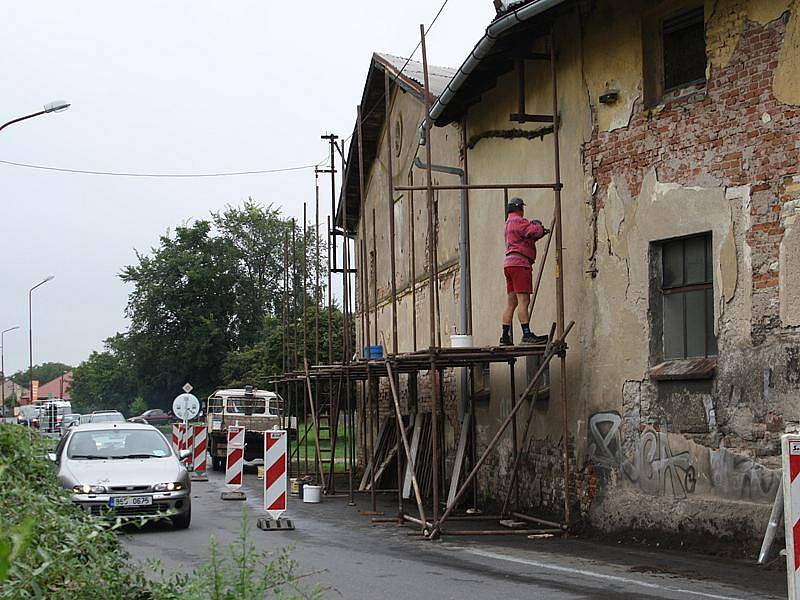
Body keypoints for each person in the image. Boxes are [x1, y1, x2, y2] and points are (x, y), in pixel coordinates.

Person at [501, 197, 550, 345]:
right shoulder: (519, 221)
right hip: (520, 264)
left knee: (511, 302)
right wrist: (540, 228)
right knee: (524, 301)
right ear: (519, 208)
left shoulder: (507, 224)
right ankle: (527, 335)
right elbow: (533, 231)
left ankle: (505, 337)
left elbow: (525, 238)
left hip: (509, 264)